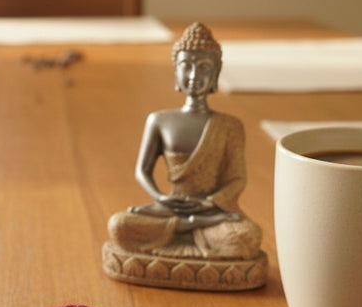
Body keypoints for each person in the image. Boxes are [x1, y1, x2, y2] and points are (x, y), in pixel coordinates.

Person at [107, 22, 262, 260]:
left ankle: (192, 225)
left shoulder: (230, 126)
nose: (193, 75)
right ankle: (189, 226)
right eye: (186, 66)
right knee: (119, 226)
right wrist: (161, 198)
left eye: (203, 67)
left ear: (216, 73)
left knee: (246, 237)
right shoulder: (159, 120)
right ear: (175, 71)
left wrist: (209, 204)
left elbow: (237, 179)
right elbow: (142, 170)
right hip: (170, 207)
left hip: (211, 210)